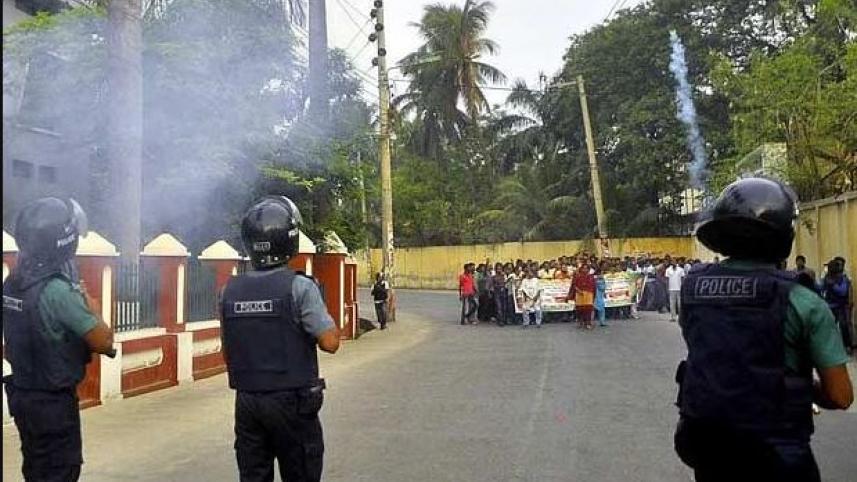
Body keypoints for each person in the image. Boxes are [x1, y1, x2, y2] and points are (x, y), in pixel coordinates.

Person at [674, 177, 853, 482]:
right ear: (784, 234)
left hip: (703, 442)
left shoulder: (693, 290)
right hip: (775, 451)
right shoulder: (802, 301)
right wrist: (793, 386)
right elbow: (840, 396)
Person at [220, 196, 340, 482]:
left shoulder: (229, 291)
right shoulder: (299, 287)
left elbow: (228, 350)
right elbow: (330, 343)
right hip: (292, 402)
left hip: (247, 402)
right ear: (289, 240)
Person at [3, 198, 116, 482]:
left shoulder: (13, 283)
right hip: (53, 403)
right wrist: (83, 294)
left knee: (36, 469)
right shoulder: (58, 291)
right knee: (61, 472)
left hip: (23, 395)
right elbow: (103, 340)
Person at [819, 258, 853, 356]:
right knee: (828, 328)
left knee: (843, 326)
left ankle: (847, 346)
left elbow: (843, 291)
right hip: (830, 305)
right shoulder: (827, 278)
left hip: (840, 306)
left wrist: (833, 286)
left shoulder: (842, 278)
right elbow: (822, 289)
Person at [571, 261, 596, 330]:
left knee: (588, 309)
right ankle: (580, 322)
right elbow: (574, 285)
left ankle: (588, 323)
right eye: (583, 268)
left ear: (588, 269)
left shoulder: (591, 277)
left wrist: (593, 295)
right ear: (581, 269)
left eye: (586, 268)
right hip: (579, 294)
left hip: (588, 295)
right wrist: (578, 290)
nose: (585, 270)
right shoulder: (577, 276)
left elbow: (593, 287)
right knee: (579, 309)